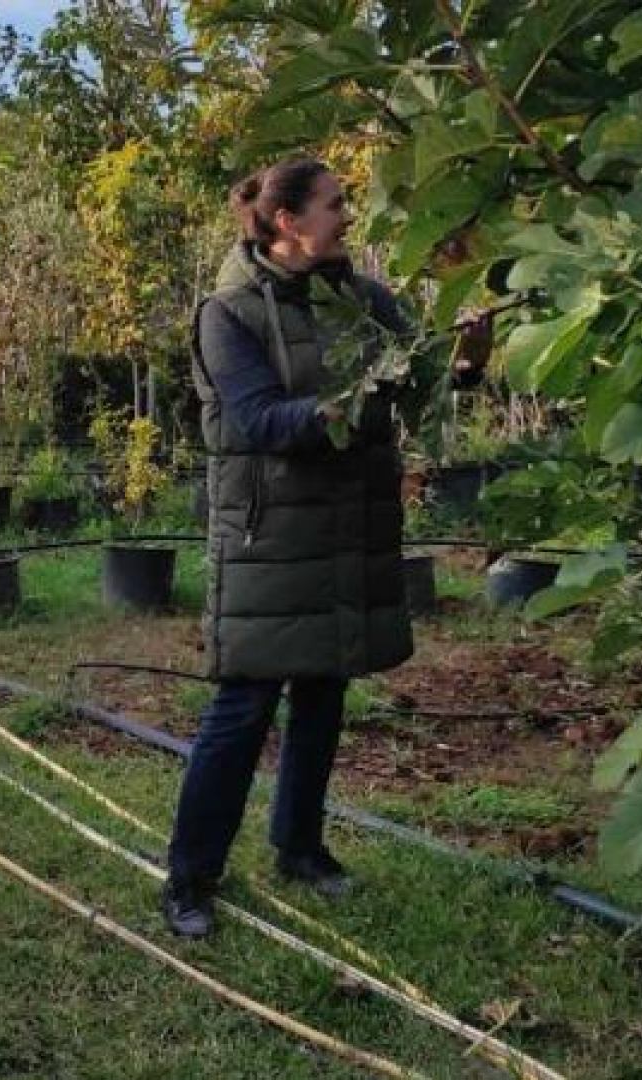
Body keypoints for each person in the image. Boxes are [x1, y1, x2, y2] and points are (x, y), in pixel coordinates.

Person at [163, 158, 425, 939]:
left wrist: (461, 361)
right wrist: (355, 403)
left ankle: (300, 847)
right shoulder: (229, 312)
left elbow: (417, 378)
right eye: (335, 204)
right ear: (288, 220)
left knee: (323, 689)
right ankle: (189, 876)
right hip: (268, 537)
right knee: (243, 705)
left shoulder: (362, 300)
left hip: (342, 528)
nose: (348, 216)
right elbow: (258, 422)